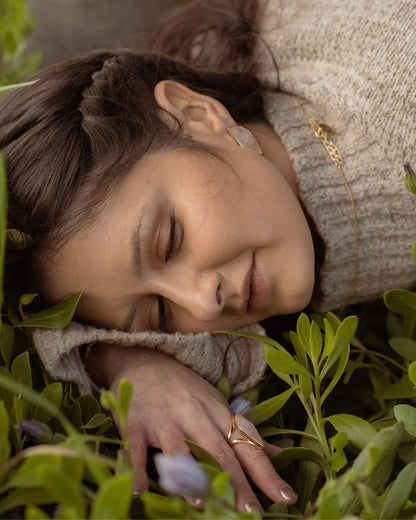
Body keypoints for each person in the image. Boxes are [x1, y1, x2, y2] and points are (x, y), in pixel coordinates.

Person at [2, 0, 415, 512]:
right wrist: (127, 361)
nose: (204, 304)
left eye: (169, 239)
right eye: (158, 315)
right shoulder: (241, 146)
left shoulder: (400, 81)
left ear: (198, 115)